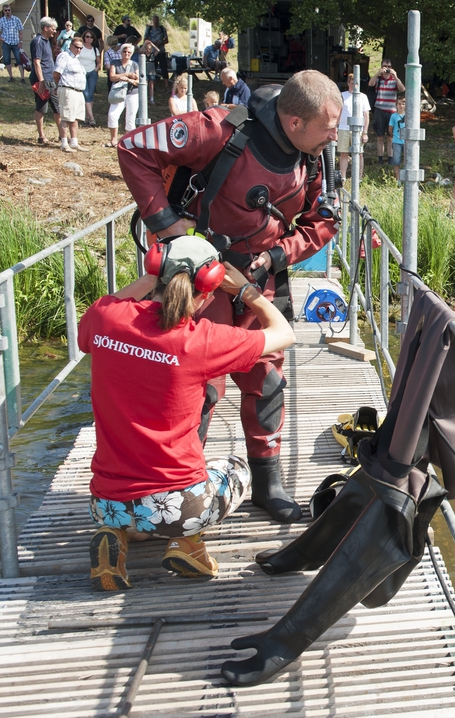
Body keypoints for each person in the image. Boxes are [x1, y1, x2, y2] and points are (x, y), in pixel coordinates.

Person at [118, 70, 343, 523]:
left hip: (260, 278)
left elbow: (324, 219)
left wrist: (278, 255)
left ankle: (267, 482)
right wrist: (167, 225)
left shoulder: (315, 155)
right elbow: (133, 147)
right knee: (197, 386)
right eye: (328, 126)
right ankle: (180, 484)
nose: (335, 136)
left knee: (268, 383)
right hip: (201, 278)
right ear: (295, 122)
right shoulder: (219, 129)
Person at [78, 235, 296, 591]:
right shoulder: (201, 340)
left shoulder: (105, 319)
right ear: (207, 293)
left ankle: (114, 536)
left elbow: (113, 303)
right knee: (236, 469)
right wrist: (246, 291)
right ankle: (187, 543)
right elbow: (283, 333)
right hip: (179, 506)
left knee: (136, 513)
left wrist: (153, 276)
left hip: (105, 503)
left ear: (156, 269)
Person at [52, 35, 89, 152]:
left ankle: (74, 142)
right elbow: (56, 73)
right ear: (71, 45)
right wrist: (60, 85)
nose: (79, 50)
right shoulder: (64, 56)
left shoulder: (76, 59)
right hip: (68, 90)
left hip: (78, 91)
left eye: (81, 48)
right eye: (77, 47)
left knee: (75, 118)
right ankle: (64, 143)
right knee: (66, 117)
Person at [367, 58, 404, 165]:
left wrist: (395, 76)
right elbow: (370, 84)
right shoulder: (378, 80)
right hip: (379, 110)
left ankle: (390, 158)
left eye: (389, 67)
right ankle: (380, 159)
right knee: (380, 136)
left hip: (391, 111)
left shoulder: (394, 80)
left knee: (390, 136)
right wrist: (378, 73)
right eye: (384, 66)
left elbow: (402, 89)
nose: (387, 69)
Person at [29, 18, 59, 143]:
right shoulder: (38, 41)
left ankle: (62, 135)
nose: (55, 31)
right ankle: (41, 136)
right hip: (43, 79)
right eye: (53, 29)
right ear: (45, 28)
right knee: (41, 107)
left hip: (50, 78)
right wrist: (41, 81)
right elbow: (37, 62)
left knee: (58, 107)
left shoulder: (47, 41)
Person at [106, 43, 140, 147]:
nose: (126, 53)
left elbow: (138, 81)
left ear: (131, 53)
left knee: (130, 118)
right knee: (112, 115)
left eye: (129, 52)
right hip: (118, 93)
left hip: (132, 93)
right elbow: (112, 77)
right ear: (121, 52)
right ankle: (113, 140)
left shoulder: (134, 65)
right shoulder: (115, 63)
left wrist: (129, 80)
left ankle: (128, 141)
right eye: (124, 51)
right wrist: (126, 75)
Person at [337, 73, 369, 181]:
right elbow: (337, 112)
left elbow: (366, 115)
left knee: (359, 153)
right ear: (348, 83)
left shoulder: (363, 97)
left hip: (358, 129)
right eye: (352, 83)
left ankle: (359, 177)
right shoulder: (342, 96)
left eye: (356, 83)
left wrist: (365, 132)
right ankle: (343, 177)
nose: (354, 85)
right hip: (343, 128)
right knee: (344, 153)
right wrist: (335, 127)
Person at [0, 4, 25, 82]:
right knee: (7, 60)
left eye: (9, 10)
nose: (7, 12)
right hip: (6, 43)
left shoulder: (16, 19)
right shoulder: (1, 20)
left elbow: (20, 31)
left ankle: (22, 78)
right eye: (6, 10)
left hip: (16, 43)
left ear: (11, 10)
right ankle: (11, 77)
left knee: (19, 60)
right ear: (3, 11)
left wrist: (20, 42)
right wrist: (0, 38)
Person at [78, 31, 102, 126]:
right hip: (82, 73)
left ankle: (87, 117)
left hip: (92, 73)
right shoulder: (80, 48)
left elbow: (99, 62)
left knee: (91, 95)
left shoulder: (95, 49)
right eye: (87, 36)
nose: (89, 38)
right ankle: (92, 118)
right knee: (86, 94)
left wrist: (96, 69)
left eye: (91, 37)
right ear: (84, 37)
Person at [145, 15, 169, 82]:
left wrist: (160, 42)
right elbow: (145, 39)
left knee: (164, 68)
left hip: (161, 51)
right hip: (152, 52)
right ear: (152, 21)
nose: (155, 21)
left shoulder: (162, 29)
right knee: (152, 68)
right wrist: (152, 43)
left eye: (157, 20)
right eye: (154, 20)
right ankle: (151, 84)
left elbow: (166, 40)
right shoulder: (149, 29)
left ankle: (166, 84)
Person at [389, 96, 406, 179]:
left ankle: (406, 178)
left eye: (403, 104)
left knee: (408, 160)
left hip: (406, 142)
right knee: (396, 161)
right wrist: (393, 136)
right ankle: (397, 179)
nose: (401, 106)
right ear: (396, 105)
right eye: (399, 104)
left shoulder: (408, 116)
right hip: (396, 142)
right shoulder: (393, 116)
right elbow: (390, 128)